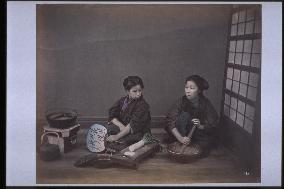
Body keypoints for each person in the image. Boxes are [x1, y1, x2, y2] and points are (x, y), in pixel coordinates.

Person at [87, 75, 151, 153]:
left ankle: (116, 144)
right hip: (123, 128)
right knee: (106, 128)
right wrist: (120, 126)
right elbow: (112, 116)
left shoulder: (143, 105)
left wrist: (117, 136)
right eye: (135, 91)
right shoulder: (122, 101)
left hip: (137, 132)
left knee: (119, 143)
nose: (138, 94)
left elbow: (132, 125)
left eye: (140, 90)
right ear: (127, 91)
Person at [165, 75, 219, 159]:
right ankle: (182, 140)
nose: (188, 91)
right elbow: (170, 121)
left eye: (192, 88)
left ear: (199, 91)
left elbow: (213, 123)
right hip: (182, 133)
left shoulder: (205, 103)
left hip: (198, 134)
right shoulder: (181, 101)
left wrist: (200, 125)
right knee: (184, 116)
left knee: (202, 148)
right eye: (186, 87)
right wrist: (180, 138)